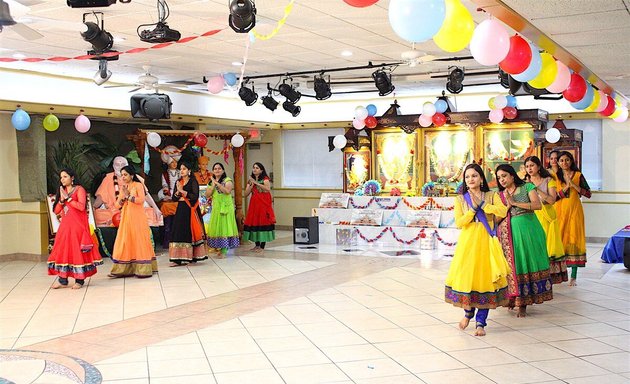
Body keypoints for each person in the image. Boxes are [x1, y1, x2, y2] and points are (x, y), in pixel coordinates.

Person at [445, 164, 511, 336]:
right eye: (467, 177)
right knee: (469, 279)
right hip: (468, 242)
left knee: (485, 280)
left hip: (486, 241)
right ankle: (468, 314)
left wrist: (483, 205)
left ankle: (480, 323)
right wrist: (472, 210)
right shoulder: (460, 199)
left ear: (481, 178)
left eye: (474, 176)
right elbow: (459, 223)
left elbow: (502, 211)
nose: (471, 179)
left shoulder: (491, 195)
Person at [496, 164, 553, 317]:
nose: (502, 179)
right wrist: (507, 206)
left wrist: (514, 203)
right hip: (508, 233)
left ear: (512, 176)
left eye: (504, 176)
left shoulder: (527, 187)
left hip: (528, 230)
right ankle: (512, 298)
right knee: (511, 266)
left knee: (524, 263)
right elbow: (497, 217)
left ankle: (524, 303)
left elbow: (537, 205)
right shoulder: (500, 195)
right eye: (499, 177)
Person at [48, 169, 103, 289]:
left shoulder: (79, 190)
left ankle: (79, 280)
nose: (62, 179)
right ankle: (63, 279)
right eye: (61, 177)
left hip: (78, 227)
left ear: (72, 178)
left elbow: (81, 207)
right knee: (63, 251)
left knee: (77, 252)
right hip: (65, 228)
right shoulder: (61, 191)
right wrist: (62, 200)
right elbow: (56, 210)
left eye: (65, 177)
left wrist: (68, 199)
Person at [525, 156, 567, 284]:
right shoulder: (524, 182)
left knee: (546, 247)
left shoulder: (548, 180)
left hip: (547, 217)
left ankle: (549, 278)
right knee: (533, 247)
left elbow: (552, 200)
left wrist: (535, 188)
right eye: (527, 166)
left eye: (532, 165)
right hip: (531, 217)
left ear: (538, 166)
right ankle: (535, 277)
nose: (529, 169)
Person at [109, 166, 157, 278]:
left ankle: (143, 269)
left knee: (139, 240)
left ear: (131, 175)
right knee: (125, 240)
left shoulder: (138, 185)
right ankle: (124, 269)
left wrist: (128, 196)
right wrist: (123, 198)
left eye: (125, 175)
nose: (123, 177)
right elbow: (117, 205)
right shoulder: (123, 187)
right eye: (121, 175)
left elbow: (141, 200)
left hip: (138, 218)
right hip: (126, 218)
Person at [555, 151, 591, 286]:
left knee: (574, 240)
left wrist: (574, 185)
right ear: (558, 163)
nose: (564, 163)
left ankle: (574, 276)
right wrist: (566, 188)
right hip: (559, 212)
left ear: (571, 161)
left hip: (575, 212)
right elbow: (554, 197)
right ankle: (558, 274)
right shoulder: (555, 177)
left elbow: (588, 194)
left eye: (567, 160)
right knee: (559, 240)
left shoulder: (578, 175)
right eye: (561, 160)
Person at [94, 156, 162, 227]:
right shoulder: (108, 178)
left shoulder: (135, 178)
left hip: (134, 210)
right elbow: (101, 196)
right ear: (113, 166)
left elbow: (145, 195)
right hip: (114, 211)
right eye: (117, 164)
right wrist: (93, 208)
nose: (120, 167)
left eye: (123, 164)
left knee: (152, 213)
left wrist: (156, 208)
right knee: (98, 215)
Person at [169, 161, 209, 266]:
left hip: (190, 209)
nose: (182, 171)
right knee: (178, 231)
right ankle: (177, 258)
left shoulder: (193, 181)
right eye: (181, 169)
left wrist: (182, 191)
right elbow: (174, 198)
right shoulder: (178, 182)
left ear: (189, 171)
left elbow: (194, 196)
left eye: (184, 169)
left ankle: (190, 257)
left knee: (189, 232)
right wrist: (178, 192)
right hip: (181, 209)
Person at [205, 162, 239, 256]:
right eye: (215, 169)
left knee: (225, 228)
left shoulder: (227, 180)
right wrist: (212, 186)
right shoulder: (211, 182)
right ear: (213, 171)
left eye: (219, 168)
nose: (217, 170)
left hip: (226, 208)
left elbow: (227, 191)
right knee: (216, 228)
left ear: (223, 170)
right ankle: (218, 248)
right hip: (216, 207)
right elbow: (207, 195)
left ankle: (224, 250)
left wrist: (218, 184)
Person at [243, 162, 276, 253]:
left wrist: (256, 183)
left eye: (257, 168)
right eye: (253, 167)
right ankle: (256, 245)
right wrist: (251, 185)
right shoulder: (250, 180)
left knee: (263, 222)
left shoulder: (265, 179)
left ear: (261, 170)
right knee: (255, 223)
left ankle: (262, 246)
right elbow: (245, 194)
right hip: (254, 205)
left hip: (263, 205)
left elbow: (267, 189)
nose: (254, 169)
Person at [158, 146, 182, 248]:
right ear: (168, 163)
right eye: (172, 162)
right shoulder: (165, 174)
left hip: (178, 192)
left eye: (175, 162)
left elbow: (182, 182)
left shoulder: (180, 172)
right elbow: (164, 185)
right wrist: (167, 191)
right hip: (169, 192)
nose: (174, 164)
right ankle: (167, 241)